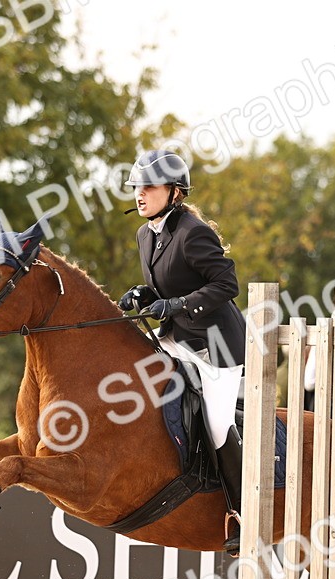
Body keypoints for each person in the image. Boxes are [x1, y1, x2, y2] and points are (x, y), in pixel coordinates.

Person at [116, 149, 247, 554]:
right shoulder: (145, 233)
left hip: (217, 347)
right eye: (137, 186)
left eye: (148, 186)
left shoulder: (192, 231)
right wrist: (147, 294)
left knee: (216, 422)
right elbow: (170, 285)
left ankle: (243, 513)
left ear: (174, 191)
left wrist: (173, 306)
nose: (140, 194)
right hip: (177, 338)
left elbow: (227, 285)